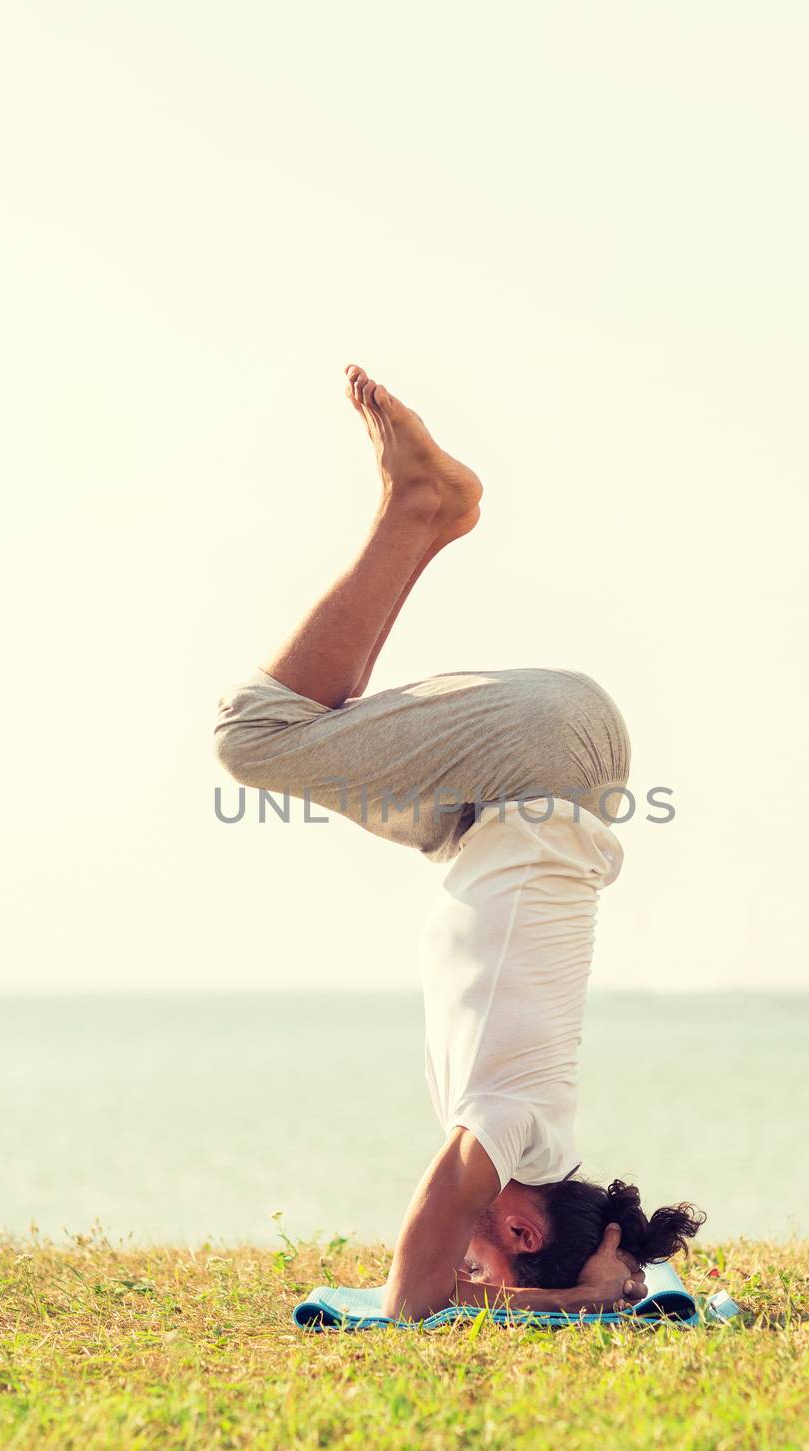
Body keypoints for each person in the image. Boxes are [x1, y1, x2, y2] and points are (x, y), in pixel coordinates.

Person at [215, 364, 703, 1321]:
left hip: (501, 797)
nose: (471, 1281)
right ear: (520, 1230)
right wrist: (538, 1307)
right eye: (489, 1272)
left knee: (310, 743)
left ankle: (426, 513)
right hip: (539, 761)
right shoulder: (515, 1137)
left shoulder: (541, 1140)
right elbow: (426, 1257)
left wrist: (588, 1279)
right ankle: (421, 507)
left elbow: (465, 1254)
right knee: (255, 738)